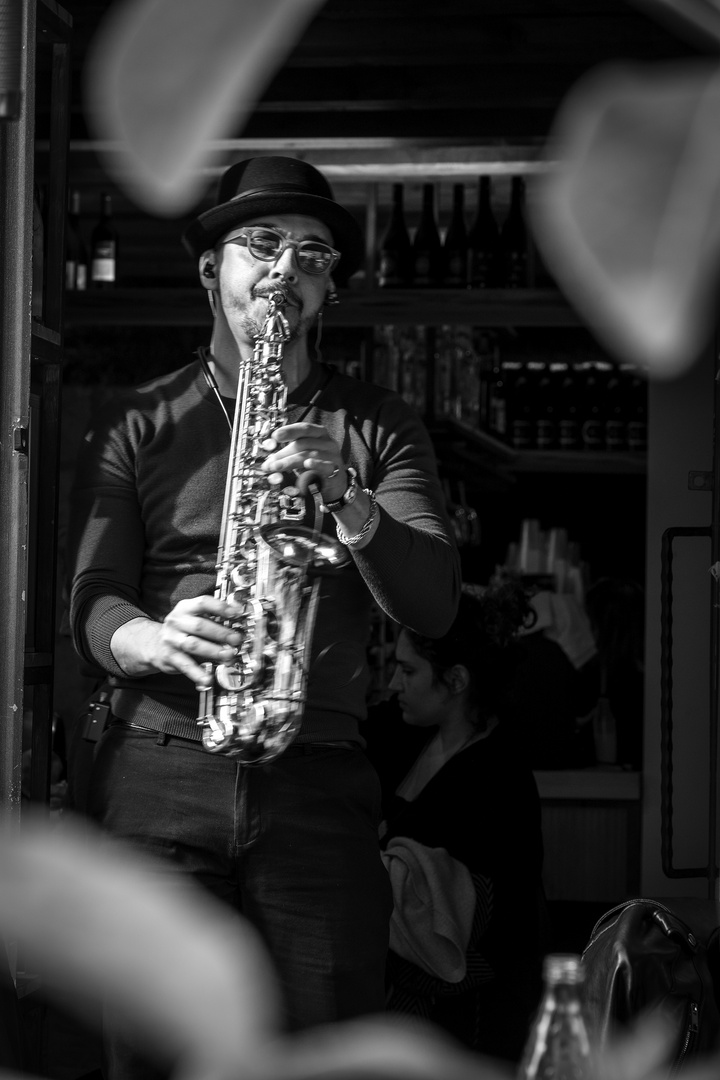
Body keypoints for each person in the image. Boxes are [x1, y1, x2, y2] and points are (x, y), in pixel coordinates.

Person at [66, 155, 461, 1070]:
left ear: (327, 290)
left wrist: (349, 497)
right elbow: (89, 602)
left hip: (318, 781)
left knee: (326, 1055)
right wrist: (152, 637)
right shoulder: (139, 421)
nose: (289, 268)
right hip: (158, 767)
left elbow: (435, 605)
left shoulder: (379, 425)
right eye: (262, 244)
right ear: (213, 269)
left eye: (314, 255)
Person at [364, 584, 548, 1062]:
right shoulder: (403, 737)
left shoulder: (498, 776)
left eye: (407, 671)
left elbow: (489, 925)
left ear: (457, 679)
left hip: (473, 1023)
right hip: (406, 1005)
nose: (393, 684)